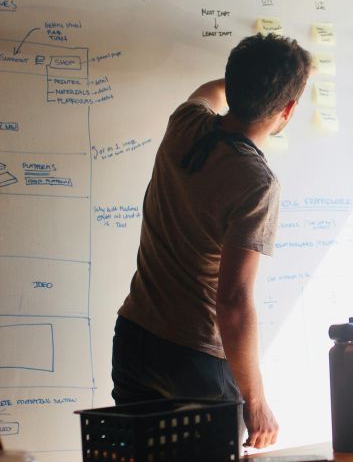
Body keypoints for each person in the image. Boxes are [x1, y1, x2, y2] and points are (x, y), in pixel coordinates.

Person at [111, 33, 312, 449]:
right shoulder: (256, 183)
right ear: (288, 110)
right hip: (194, 358)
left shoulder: (185, 123)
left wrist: (241, 82)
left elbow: (212, 91)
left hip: (135, 338)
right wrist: (256, 401)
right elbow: (234, 302)